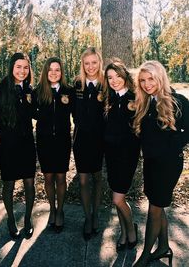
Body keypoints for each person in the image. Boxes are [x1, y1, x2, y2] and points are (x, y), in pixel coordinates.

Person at [132, 61, 189, 266]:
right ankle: (164, 246)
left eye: (151, 79)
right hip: (151, 164)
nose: (147, 84)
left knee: (154, 209)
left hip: (168, 165)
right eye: (143, 80)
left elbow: (186, 132)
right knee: (157, 205)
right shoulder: (146, 102)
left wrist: (174, 145)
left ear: (160, 77)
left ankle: (146, 253)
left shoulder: (178, 101)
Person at [0, 53, 36, 240]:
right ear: (11, 67)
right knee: (9, 185)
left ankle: (28, 219)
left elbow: (36, 112)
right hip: (7, 146)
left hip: (27, 145)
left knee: (29, 183)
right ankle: (10, 219)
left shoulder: (30, 90)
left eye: (25, 67)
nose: (22, 71)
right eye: (18, 67)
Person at [33, 57, 74, 233]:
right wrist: (44, 122)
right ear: (45, 72)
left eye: (57, 69)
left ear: (61, 72)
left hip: (63, 140)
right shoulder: (38, 92)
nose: (54, 73)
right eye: (51, 70)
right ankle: (52, 209)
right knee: (48, 177)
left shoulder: (68, 91)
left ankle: (60, 211)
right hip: (44, 140)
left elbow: (77, 113)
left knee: (60, 177)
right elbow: (31, 112)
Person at [103, 58, 140, 252]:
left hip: (127, 156)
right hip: (111, 156)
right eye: (110, 77)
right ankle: (124, 232)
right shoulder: (109, 98)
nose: (114, 80)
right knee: (115, 197)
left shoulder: (135, 98)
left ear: (125, 76)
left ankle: (132, 230)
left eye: (118, 76)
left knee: (118, 198)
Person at [73, 47, 104, 240]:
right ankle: (87, 217)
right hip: (82, 139)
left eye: (94, 62)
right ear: (82, 65)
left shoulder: (106, 84)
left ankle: (96, 216)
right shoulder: (77, 84)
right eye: (87, 63)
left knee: (98, 178)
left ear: (99, 63)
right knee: (84, 180)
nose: (90, 67)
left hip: (100, 140)